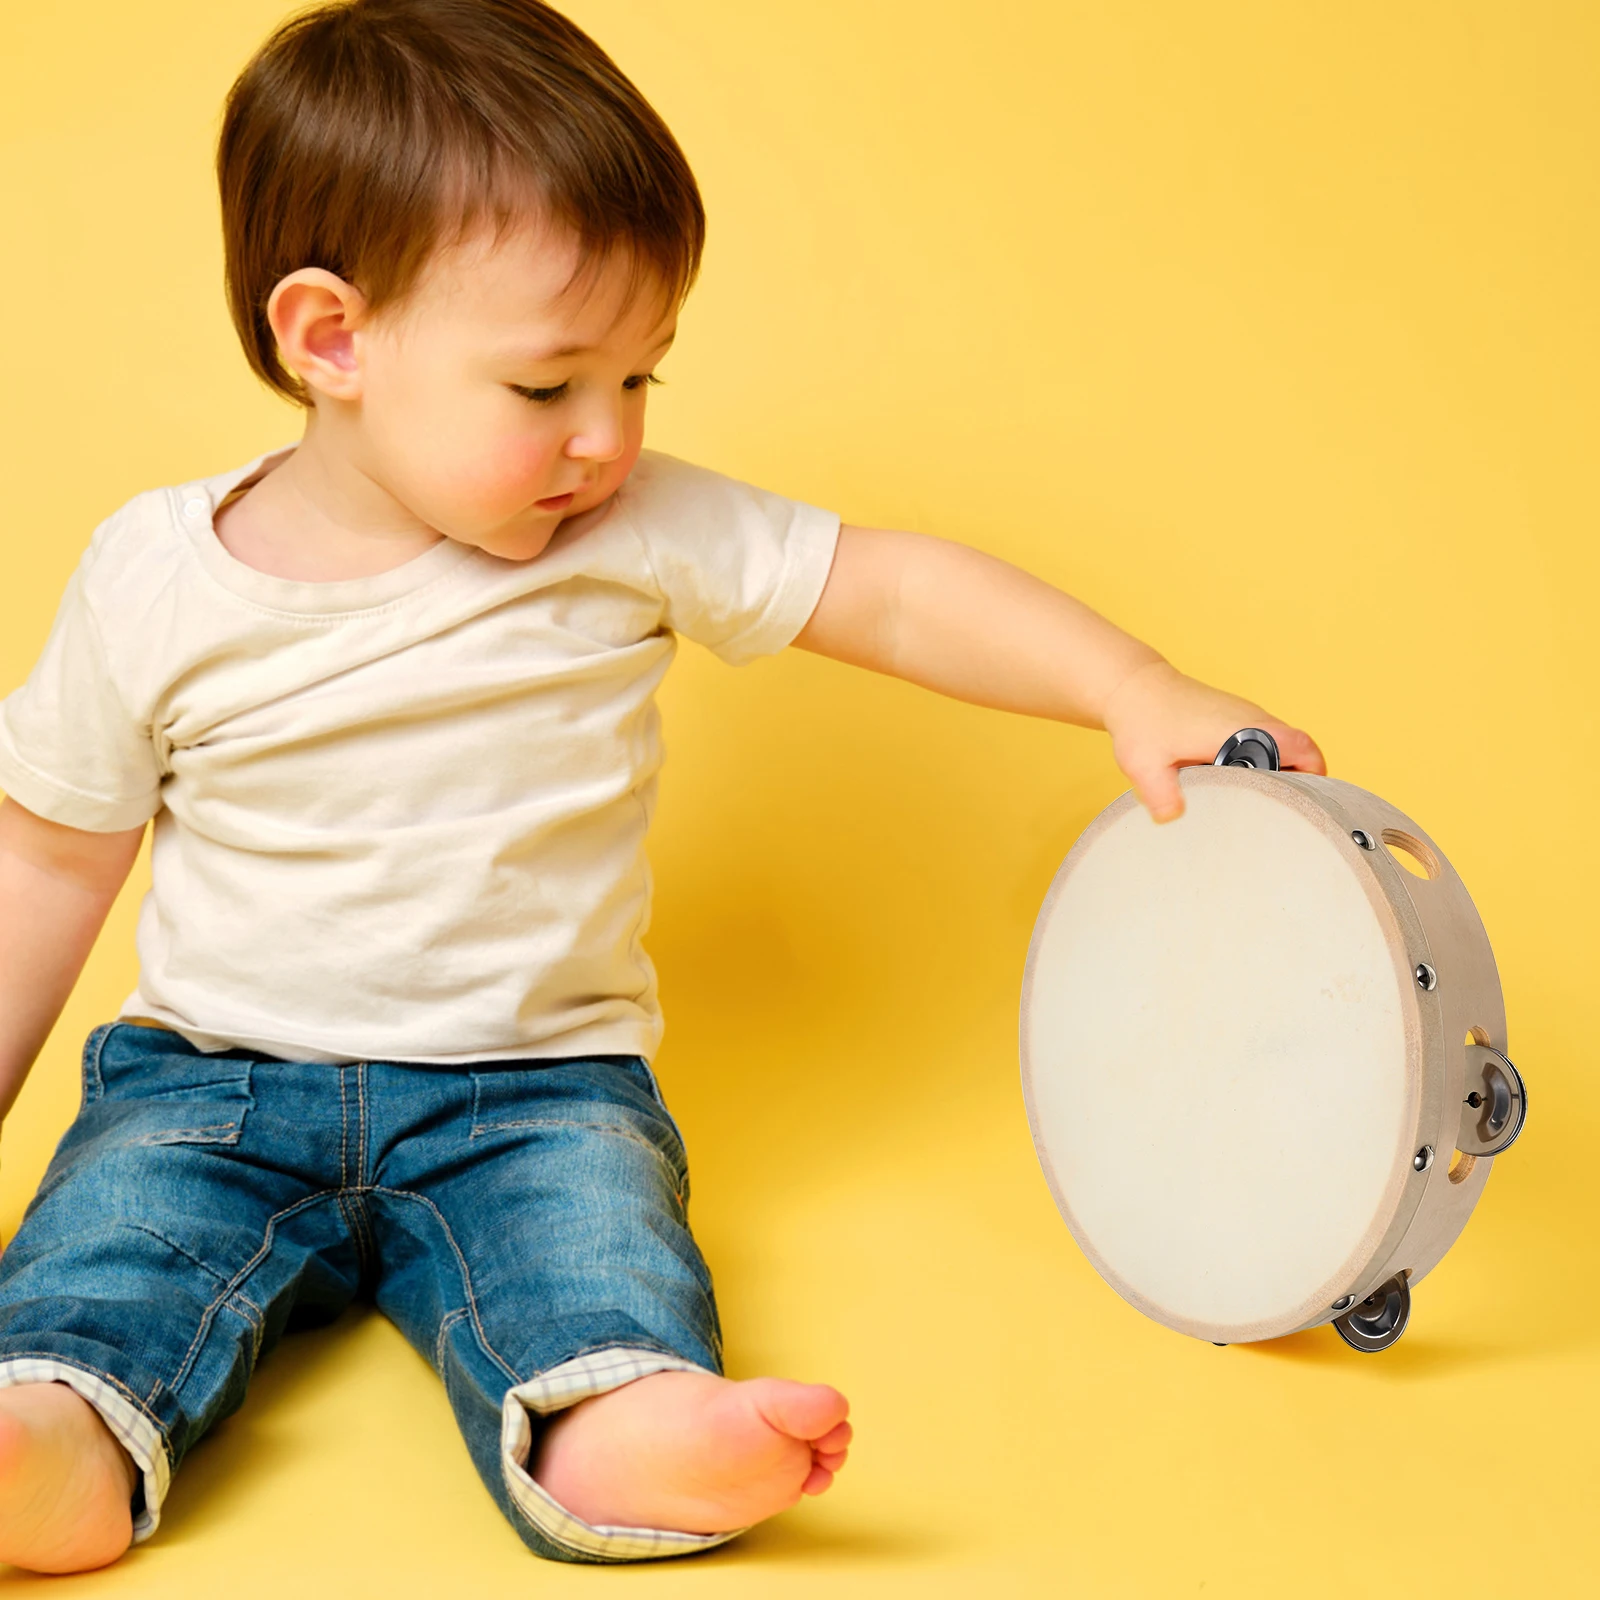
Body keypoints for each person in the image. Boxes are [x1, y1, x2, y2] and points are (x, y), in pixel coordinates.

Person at [0, 0, 1324, 1574]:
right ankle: (54, 1441)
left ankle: (619, 1422)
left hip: (534, 1091)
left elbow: (890, 593)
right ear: (332, 340)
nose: (606, 440)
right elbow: (49, 862)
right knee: (111, 1253)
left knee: (592, 1258)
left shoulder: (633, 533)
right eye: (548, 386)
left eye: (642, 380)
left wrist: (1131, 684)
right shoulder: (157, 580)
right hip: (214, 1084)